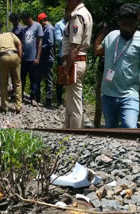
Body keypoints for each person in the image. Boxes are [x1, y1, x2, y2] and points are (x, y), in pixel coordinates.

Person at [94, 3, 140, 128]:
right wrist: (102, 33)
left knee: (130, 127)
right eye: (123, 23)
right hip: (108, 94)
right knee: (111, 129)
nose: (127, 27)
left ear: (136, 22)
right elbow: (98, 50)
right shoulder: (111, 36)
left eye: (130, 24)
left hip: (129, 94)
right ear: (119, 22)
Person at [62, 0, 93, 129]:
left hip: (75, 62)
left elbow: (75, 47)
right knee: (70, 102)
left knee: (74, 105)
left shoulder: (78, 16)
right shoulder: (85, 13)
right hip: (78, 61)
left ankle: (75, 135)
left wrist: (66, 70)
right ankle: (67, 131)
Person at [0, 32, 23, 113]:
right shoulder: (11, 34)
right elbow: (19, 43)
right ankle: (18, 106)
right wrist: (20, 58)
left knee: (4, 83)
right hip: (14, 55)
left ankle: (5, 107)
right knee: (17, 82)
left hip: (3, 57)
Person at [20, 11, 44, 107]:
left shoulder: (37, 26)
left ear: (28, 18)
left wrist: (37, 57)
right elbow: (22, 43)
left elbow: (40, 43)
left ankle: (33, 98)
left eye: (24, 20)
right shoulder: (24, 29)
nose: (23, 22)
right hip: (24, 58)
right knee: (22, 78)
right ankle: (20, 95)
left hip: (33, 58)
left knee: (33, 79)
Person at [37, 13, 55, 108]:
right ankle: (40, 97)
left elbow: (50, 43)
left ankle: (49, 99)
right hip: (43, 58)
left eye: (40, 21)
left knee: (48, 79)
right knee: (40, 78)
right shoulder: (44, 28)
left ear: (44, 20)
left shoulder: (49, 29)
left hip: (48, 58)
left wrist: (40, 48)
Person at [54, 9, 70, 108]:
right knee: (60, 79)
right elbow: (58, 40)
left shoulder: (75, 23)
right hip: (62, 55)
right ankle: (59, 101)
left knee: (73, 78)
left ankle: (71, 101)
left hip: (73, 55)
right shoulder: (59, 25)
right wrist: (71, 38)